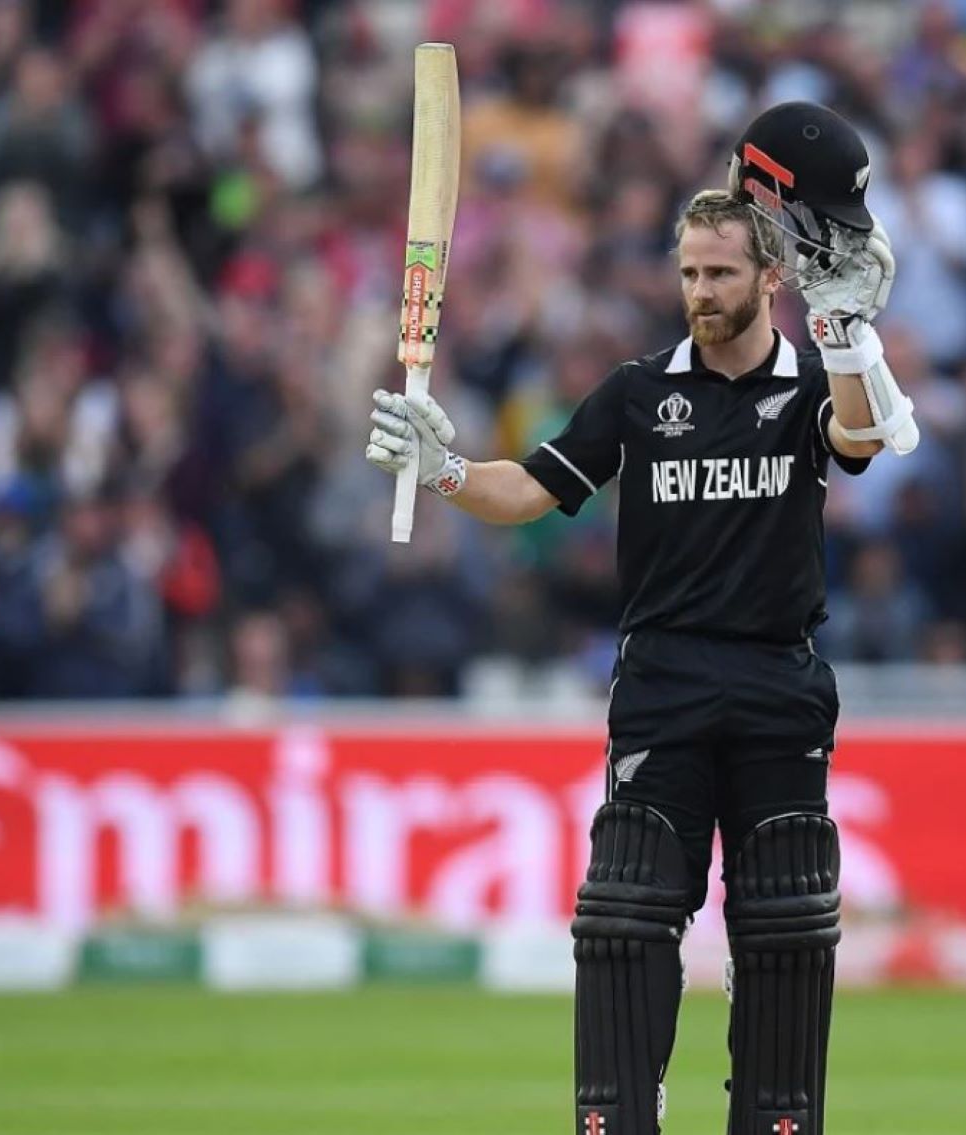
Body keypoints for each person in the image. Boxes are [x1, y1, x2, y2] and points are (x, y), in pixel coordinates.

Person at [366, 103, 913, 1135]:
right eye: (690, 274)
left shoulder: (810, 387)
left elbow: (863, 435)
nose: (702, 294)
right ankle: (620, 1119)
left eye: (723, 274)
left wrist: (847, 329)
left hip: (776, 680)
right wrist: (439, 465)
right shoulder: (636, 392)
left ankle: (778, 1119)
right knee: (622, 921)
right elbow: (526, 492)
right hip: (660, 681)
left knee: (785, 927)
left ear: (771, 278)